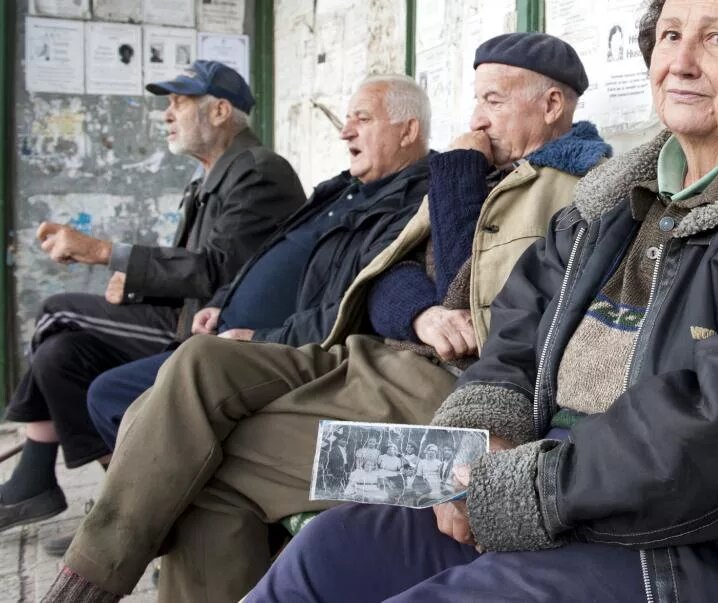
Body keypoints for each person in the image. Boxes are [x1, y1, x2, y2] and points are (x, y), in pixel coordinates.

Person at [244, 0, 718, 603]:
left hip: (685, 540)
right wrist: (483, 435)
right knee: (326, 551)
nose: (681, 60)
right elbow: (516, 332)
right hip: (548, 498)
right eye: (670, 35)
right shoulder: (609, 198)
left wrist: (528, 486)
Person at [43, 32, 611, 602]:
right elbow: (390, 273)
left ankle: (83, 586)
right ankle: (85, 580)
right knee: (199, 361)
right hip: (370, 351)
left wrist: (458, 177)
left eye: (494, 101)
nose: (476, 119)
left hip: (444, 390)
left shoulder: (575, 190)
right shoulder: (487, 170)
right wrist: (418, 312)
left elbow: (478, 306)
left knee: (201, 469)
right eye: (476, 100)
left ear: (552, 105)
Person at [0, 60, 304, 535]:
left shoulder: (261, 171)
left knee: (53, 312)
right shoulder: (209, 178)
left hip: (213, 336)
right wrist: (135, 284)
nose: (168, 114)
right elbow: (195, 268)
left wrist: (104, 253)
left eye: (179, 102)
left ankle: (45, 482)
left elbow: (219, 272)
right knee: (60, 354)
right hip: (184, 319)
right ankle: (121, 510)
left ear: (221, 111)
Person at [85, 75, 433, 453]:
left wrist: (259, 338)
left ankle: (164, 497)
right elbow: (268, 255)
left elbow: (354, 306)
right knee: (92, 373)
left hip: (274, 353)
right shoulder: (344, 188)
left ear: (408, 130)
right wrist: (222, 300)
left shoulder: (409, 204)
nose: (345, 132)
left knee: (111, 395)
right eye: (346, 119)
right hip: (225, 335)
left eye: (362, 120)